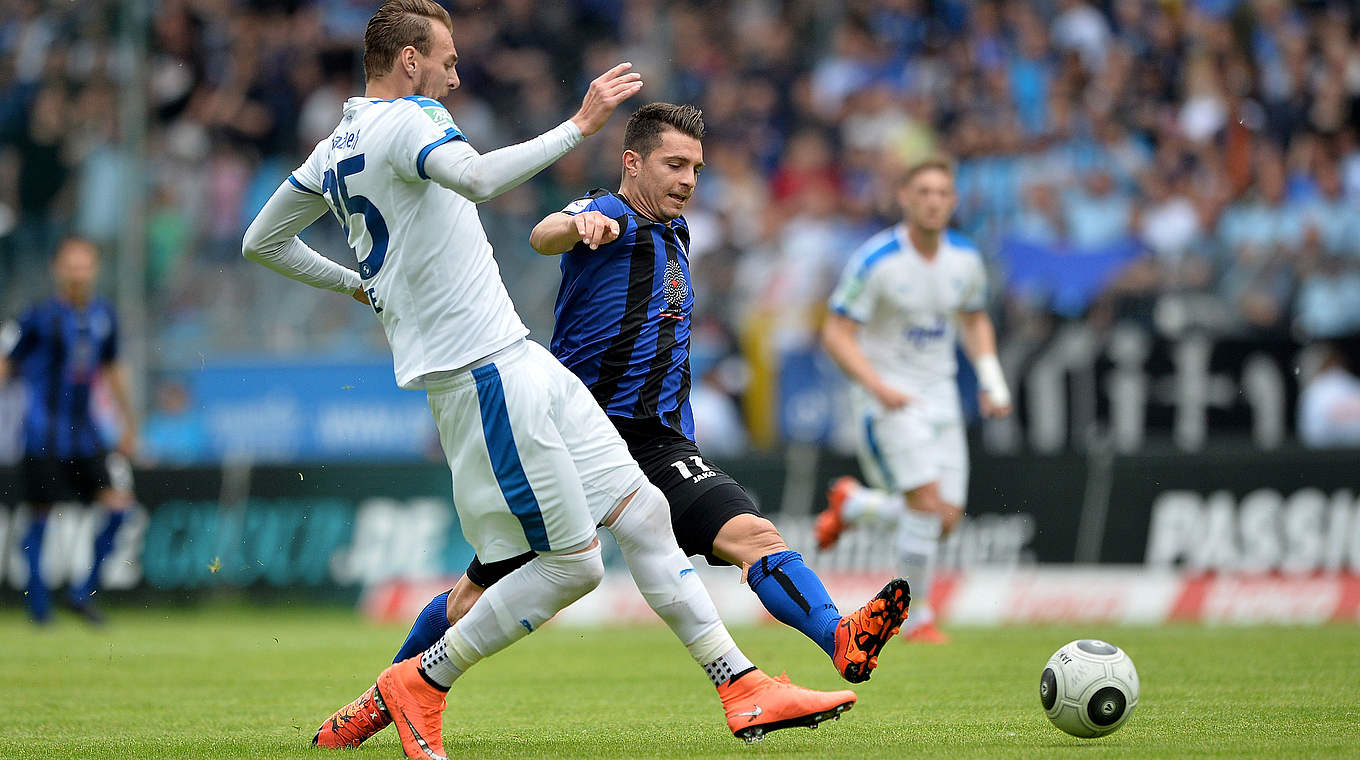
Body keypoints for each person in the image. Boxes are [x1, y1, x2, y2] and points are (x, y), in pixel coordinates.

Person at [240, 3, 854, 758]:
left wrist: (361, 283)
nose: (456, 72)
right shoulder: (408, 119)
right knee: (571, 566)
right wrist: (580, 125)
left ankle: (743, 685)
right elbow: (476, 178)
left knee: (646, 514)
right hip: (478, 372)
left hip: (518, 356)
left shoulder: (333, 148)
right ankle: (420, 682)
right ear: (407, 61)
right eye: (446, 58)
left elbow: (260, 240)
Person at [365, 102, 909, 713]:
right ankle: (381, 700)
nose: (688, 180)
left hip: (657, 443)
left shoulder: (677, 231)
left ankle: (840, 638)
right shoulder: (610, 212)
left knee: (753, 535)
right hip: (574, 437)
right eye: (674, 165)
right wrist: (578, 228)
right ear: (632, 162)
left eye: (697, 169)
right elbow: (544, 232)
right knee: (474, 593)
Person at [815, 157, 1012, 644]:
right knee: (924, 505)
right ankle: (916, 617)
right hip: (891, 399)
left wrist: (990, 378)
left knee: (943, 519)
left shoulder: (965, 258)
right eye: (922, 191)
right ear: (904, 197)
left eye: (941, 192)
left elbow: (974, 318)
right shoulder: (875, 260)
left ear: (953, 201)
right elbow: (836, 333)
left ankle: (856, 505)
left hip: (942, 397)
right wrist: (876, 386)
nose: (932, 201)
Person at [0, 236, 139, 625]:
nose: (78, 273)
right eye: (71, 265)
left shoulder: (103, 315)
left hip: (88, 434)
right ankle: (39, 608)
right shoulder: (35, 317)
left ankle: (82, 592)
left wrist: (130, 424)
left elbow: (113, 370)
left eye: (84, 265)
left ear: (94, 269)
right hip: (43, 435)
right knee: (42, 514)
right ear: (57, 269)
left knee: (119, 508)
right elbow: (5, 365)